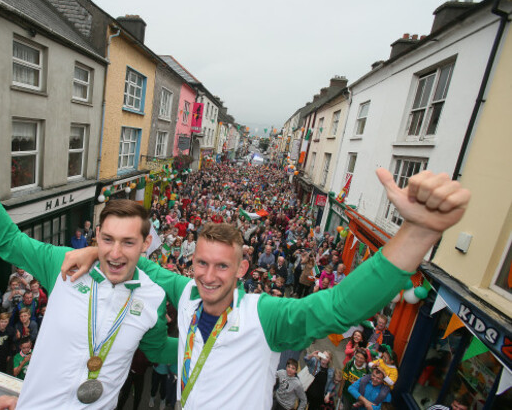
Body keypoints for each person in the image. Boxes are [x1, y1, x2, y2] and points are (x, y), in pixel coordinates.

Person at [64, 167, 471, 409]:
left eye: (222, 266)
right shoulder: (186, 293)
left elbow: (338, 308)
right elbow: (141, 261)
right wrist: (94, 253)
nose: (208, 275)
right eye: (202, 263)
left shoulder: (264, 314)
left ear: (243, 267)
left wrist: (418, 234)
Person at [0, 139, 176, 409]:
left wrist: (216, 346)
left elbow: (157, 348)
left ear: (145, 244)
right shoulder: (64, 264)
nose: (115, 253)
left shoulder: (153, 296)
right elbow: (7, 240)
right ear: (97, 237)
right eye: (107, 239)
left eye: (128, 242)